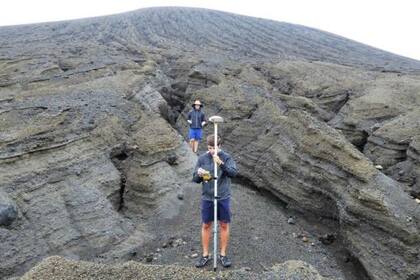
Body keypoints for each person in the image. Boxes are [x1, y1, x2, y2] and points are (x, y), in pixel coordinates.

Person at [192, 134, 238, 268]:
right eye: (210, 147)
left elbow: (233, 173)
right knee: (206, 225)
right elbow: (195, 179)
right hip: (208, 197)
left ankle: (222, 255)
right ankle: (205, 255)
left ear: (220, 146)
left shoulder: (226, 157)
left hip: (223, 196)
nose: (212, 151)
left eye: (214, 148)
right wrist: (199, 175)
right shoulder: (202, 158)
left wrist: (221, 164)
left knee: (224, 224)